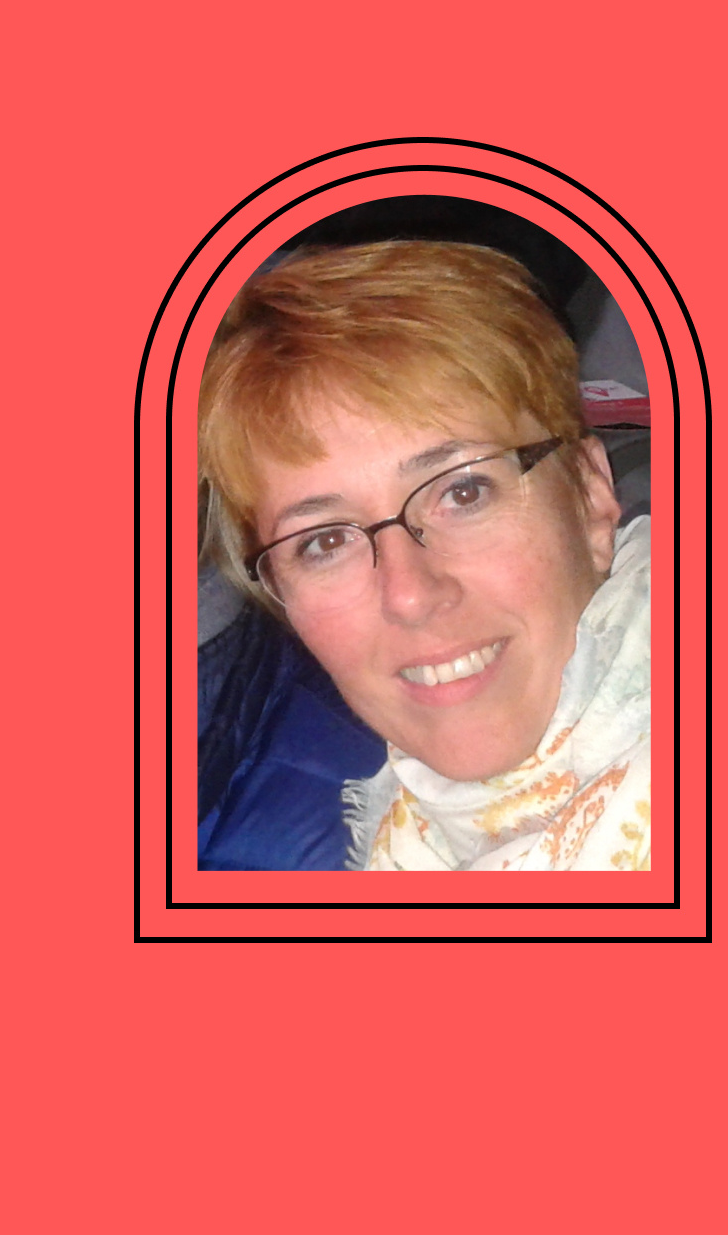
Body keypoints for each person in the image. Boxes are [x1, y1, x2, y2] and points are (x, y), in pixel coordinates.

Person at [198, 240, 650, 870]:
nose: (409, 594)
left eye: (463, 493)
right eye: (325, 541)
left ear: (589, 493)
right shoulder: (401, 843)